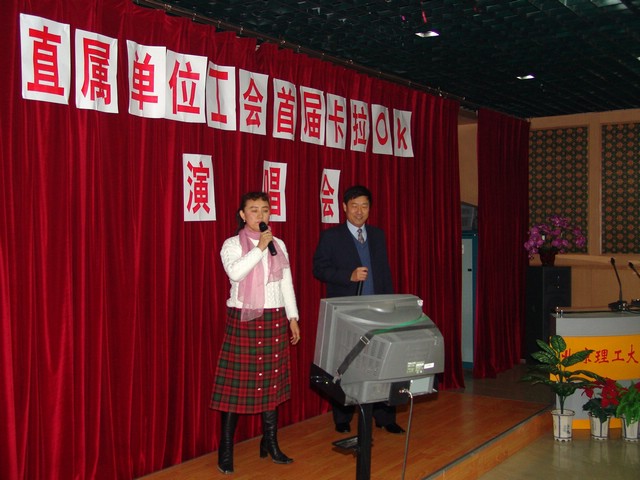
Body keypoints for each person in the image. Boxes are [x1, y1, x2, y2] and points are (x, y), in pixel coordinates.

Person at [210, 191, 301, 474]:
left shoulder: (279, 244)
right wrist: (259, 247)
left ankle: (270, 442)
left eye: (264, 210)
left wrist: (293, 317)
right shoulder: (231, 244)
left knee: (271, 385)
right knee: (234, 389)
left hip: (274, 318)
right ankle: (226, 449)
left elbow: (286, 282)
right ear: (242, 214)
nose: (260, 215)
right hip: (244, 320)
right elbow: (236, 273)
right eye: (253, 210)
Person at [312, 185, 404, 434]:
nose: (359, 211)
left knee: (382, 363)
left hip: (378, 311)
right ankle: (342, 418)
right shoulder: (331, 237)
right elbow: (318, 269)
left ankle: (385, 417)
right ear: (344, 207)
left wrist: (391, 305)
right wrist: (348, 276)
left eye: (364, 205)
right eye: (354, 206)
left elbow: (384, 271)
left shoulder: (377, 235)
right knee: (346, 365)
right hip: (348, 314)